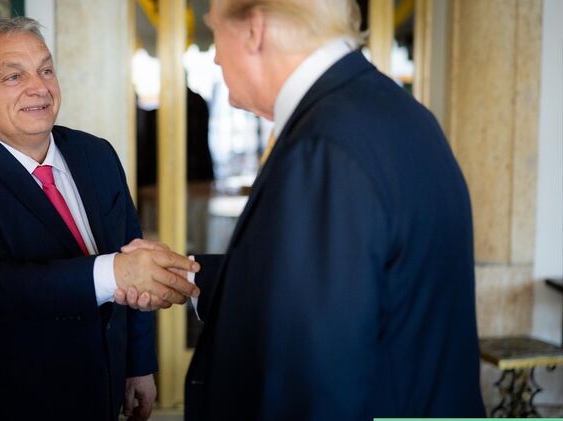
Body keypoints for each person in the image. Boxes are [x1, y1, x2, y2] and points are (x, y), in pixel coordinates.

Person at [118, 0, 486, 419]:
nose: (216, 57)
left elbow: (314, 380)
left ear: (254, 30)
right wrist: (189, 275)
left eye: (215, 29)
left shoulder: (323, 147)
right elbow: (337, 285)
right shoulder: (394, 112)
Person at [0, 17, 199, 421]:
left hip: (102, 389)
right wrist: (115, 273)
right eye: (14, 76)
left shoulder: (97, 154)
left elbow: (131, 250)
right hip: (5, 403)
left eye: (46, 70)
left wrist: (138, 365)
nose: (39, 87)